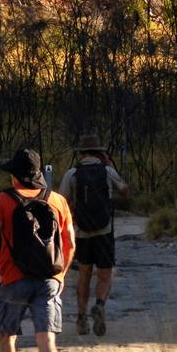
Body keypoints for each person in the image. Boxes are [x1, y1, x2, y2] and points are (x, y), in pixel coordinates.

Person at [0, 147, 74, 352]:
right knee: (46, 337)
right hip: (48, 278)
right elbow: (70, 241)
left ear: (14, 175)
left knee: (6, 336)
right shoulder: (58, 201)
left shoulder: (0, 201)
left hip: (13, 278)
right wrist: (61, 275)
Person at [61, 141, 128, 335]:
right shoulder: (107, 171)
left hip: (81, 233)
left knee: (84, 274)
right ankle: (99, 305)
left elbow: (62, 201)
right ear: (100, 154)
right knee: (105, 275)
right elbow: (124, 190)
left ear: (81, 153)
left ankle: (81, 318)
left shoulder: (72, 174)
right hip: (104, 231)